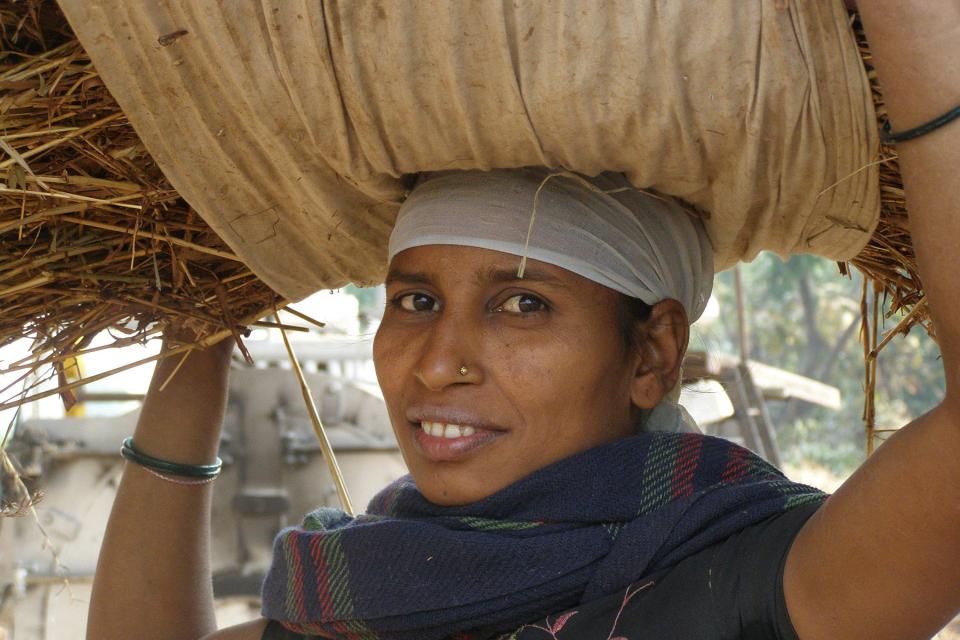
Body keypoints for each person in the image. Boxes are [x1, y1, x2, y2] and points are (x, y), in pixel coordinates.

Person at [86, 3, 960, 639]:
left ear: (653, 353)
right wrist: (195, 317)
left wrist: (921, 44)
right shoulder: (355, 597)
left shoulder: (756, 584)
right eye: (415, 302)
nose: (438, 365)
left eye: (522, 305)